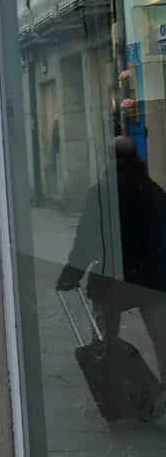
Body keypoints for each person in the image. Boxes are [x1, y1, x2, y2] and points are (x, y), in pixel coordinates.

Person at [58, 136, 166, 376]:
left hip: (112, 277)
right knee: (163, 341)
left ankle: (112, 388)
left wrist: (71, 273)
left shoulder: (100, 192)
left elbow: (86, 239)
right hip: (153, 279)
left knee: (103, 339)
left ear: (109, 158)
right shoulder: (153, 190)